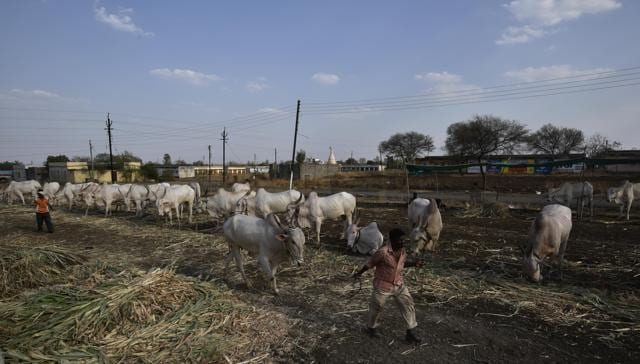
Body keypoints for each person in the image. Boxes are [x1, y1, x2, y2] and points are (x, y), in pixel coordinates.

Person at [354, 227, 422, 343]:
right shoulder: (382, 252)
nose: (403, 242)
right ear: (392, 240)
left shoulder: (402, 251)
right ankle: (371, 328)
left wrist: (414, 264)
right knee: (377, 307)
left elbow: (401, 265)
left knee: (408, 304)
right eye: (400, 240)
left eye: (404, 240)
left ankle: (410, 332)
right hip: (383, 286)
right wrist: (359, 273)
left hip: (398, 284)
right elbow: (370, 263)